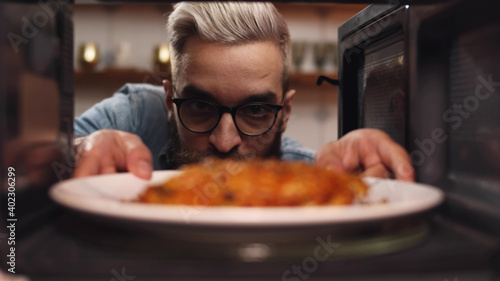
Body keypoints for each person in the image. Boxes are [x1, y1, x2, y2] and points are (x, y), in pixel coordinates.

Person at [73, 2, 414, 182]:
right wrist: (72, 152)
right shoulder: (131, 116)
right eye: (199, 106)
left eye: (255, 111)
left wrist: (362, 186)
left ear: (286, 113)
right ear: (168, 100)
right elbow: (19, 181)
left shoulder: (308, 178)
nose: (224, 142)